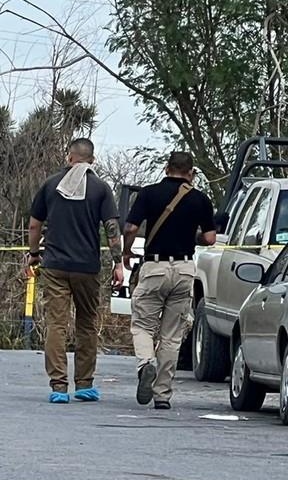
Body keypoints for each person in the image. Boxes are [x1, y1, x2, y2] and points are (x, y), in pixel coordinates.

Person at [26, 137, 124, 403]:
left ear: (69, 158)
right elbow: (112, 230)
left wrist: (34, 254)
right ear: (92, 160)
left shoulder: (50, 185)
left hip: (55, 266)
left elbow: (35, 225)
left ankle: (59, 387)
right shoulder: (101, 189)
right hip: (87, 267)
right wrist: (118, 263)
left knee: (56, 325)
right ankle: (84, 384)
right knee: (86, 323)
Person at [122, 150, 216, 410]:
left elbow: (130, 228)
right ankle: (162, 394)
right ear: (191, 173)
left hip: (154, 266)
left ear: (166, 168)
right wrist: (190, 237)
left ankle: (145, 363)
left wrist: (127, 251)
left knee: (142, 325)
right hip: (185, 268)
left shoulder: (149, 193)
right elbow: (209, 239)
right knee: (171, 335)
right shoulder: (200, 199)